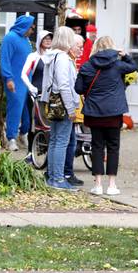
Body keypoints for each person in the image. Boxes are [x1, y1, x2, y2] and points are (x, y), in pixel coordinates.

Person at [75, 36, 138, 196]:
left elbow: (78, 88)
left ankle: (97, 184)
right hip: (114, 113)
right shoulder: (117, 65)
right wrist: (124, 54)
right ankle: (112, 185)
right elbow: (133, 66)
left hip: (94, 112)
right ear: (112, 48)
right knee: (113, 147)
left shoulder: (87, 65)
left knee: (97, 147)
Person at [40, 26, 80, 190]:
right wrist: (71, 109)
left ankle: (51, 176)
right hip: (63, 105)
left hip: (53, 104)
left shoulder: (51, 56)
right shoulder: (63, 58)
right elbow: (64, 85)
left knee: (55, 140)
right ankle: (58, 178)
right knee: (61, 141)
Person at [0, 15, 35, 151]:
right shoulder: (10, 38)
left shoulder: (26, 40)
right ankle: (11, 138)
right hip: (14, 81)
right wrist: (8, 78)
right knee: (15, 109)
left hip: (27, 81)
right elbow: (5, 59)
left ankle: (23, 133)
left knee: (27, 110)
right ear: (25, 26)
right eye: (31, 28)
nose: (32, 30)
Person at [20, 29, 52, 160]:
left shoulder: (54, 55)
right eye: (45, 39)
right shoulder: (33, 56)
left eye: (50, 39)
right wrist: (31, 87)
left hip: (50, 94)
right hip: (35, 93)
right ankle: (30, 153)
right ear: (39, 40)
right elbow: (23, 74)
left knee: (50, 123)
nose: (48, 41)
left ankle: (48, 152)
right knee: (34, 123)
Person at [64, 34, 86, 186]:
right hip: (67, 107)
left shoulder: (72, 61)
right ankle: (64, 173)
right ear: (70, 46)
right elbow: (66, 86)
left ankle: (67, 172)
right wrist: (71, 108)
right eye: (79, 46)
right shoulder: (65, 61)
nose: (82, 50)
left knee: (70, 141)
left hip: (72, 106)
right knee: (66, 142)